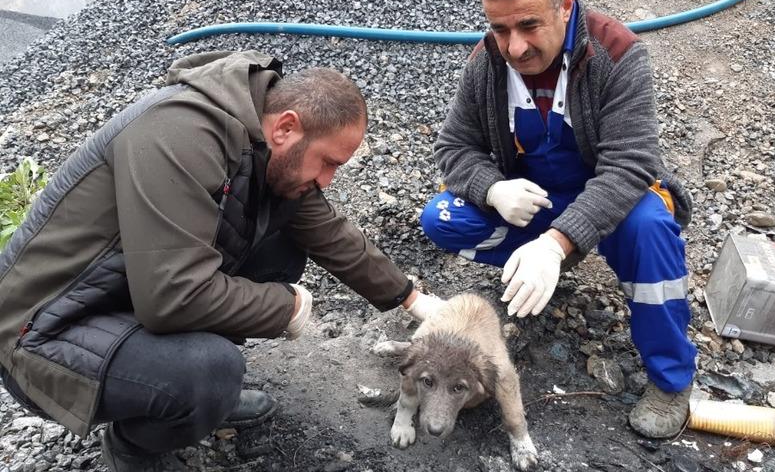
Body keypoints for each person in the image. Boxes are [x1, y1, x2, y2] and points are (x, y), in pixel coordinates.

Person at [0, 50, 443, 471]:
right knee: (207, 372)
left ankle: (189, 396)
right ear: (287, 127)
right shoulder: (177, 135)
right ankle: (132, 445)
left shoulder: (262, 145)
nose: (326, 180)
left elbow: (328, 231)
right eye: (327, 162)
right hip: (42, 330)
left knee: (281, 250)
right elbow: (173, 295)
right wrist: (285, 307)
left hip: (127, 292)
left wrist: (412, 299)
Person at [420, 0, 697, 439]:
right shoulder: (486, 61)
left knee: (650, 229)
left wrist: (556, 242)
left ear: (565, 6)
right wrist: (492, 188)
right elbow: (454, 147)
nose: (514, 47)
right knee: (443, 217)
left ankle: (672, 379)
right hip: (540, 200)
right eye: (499, 28)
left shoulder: (618, 54)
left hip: (612, 199)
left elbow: (630, 165)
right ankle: (541, 265)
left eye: (528, 26)